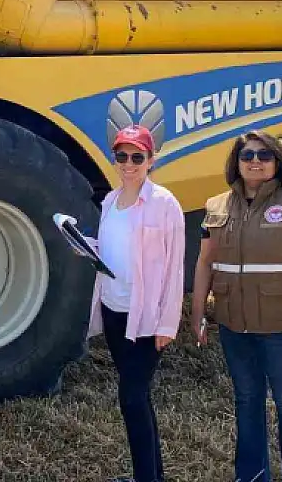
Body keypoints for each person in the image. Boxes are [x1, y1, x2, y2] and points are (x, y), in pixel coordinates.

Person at [190, 131, 282, 482]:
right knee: (247, 403)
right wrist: (197, 312)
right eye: (247, 155)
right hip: (234, 327)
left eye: (264, 155)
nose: (255, 161)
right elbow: (205, 263)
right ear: (236, 162)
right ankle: (251, 476)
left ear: (277, 162)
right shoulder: (216, 207)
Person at [83, 124, 186, 482]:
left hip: (145, 317)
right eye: (122, 156)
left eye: (137, 157)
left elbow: (174, 268)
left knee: (131, 397)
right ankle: (152, 475)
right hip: (113, 310)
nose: (128, 164)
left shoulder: (164, 204)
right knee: (138, 397)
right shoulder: (110, 202)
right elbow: (112, 249)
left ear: (150, 160)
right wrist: (83, 244)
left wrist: (167, 324)